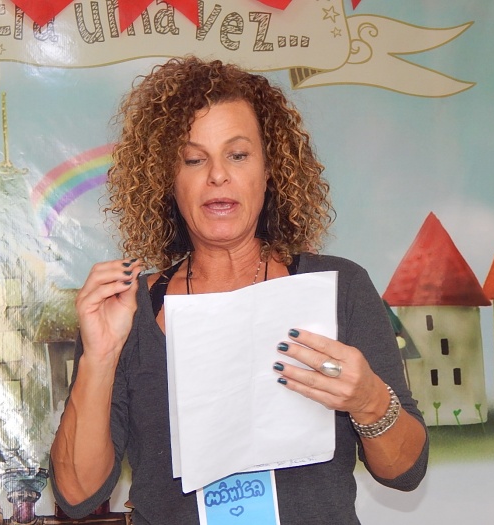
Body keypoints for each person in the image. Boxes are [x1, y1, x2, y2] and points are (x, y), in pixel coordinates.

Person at [50, 55, 428, 525]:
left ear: (270, 171)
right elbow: (77, 494)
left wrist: (369, 400)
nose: (217, 175)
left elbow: (405, 471)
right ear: (169, 180)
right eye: (194, 159)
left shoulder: (340, 287)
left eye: (238, 155)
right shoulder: (128, 311)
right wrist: (100, 357)